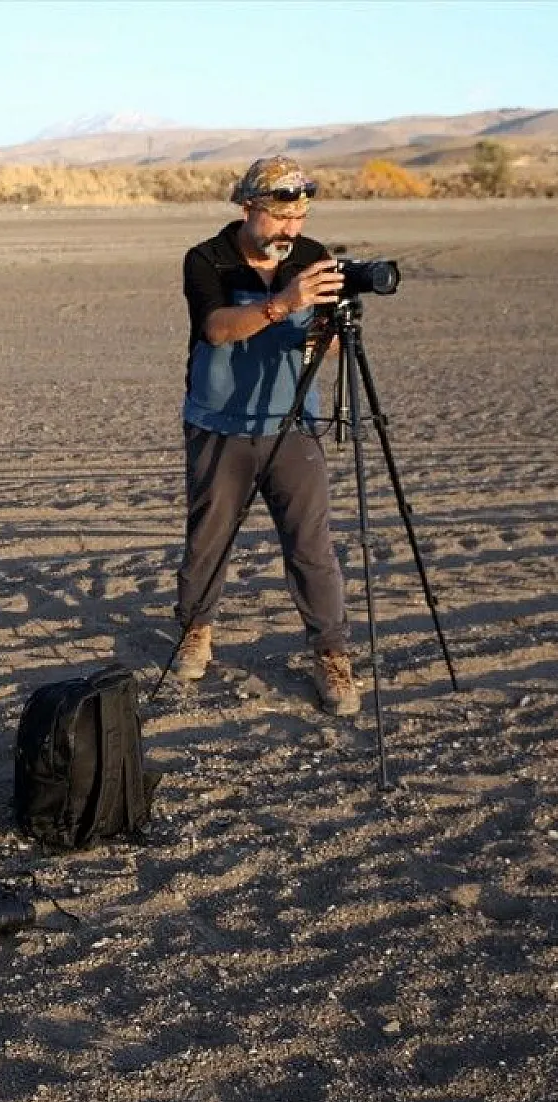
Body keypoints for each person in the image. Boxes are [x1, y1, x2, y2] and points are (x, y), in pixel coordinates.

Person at [170, 154, 360, 716]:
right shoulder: (206, 259)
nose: (291, 231)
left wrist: (327, 333)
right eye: (280, 219)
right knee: (210, 539)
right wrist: (284, 305)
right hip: (219, 422)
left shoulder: (312, 257)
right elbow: (217, 328)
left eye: (300, 218)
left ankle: (331, 651)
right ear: (248, 207)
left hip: (292, 421)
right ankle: (196, 630)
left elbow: (321, 342)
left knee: (311, 544)